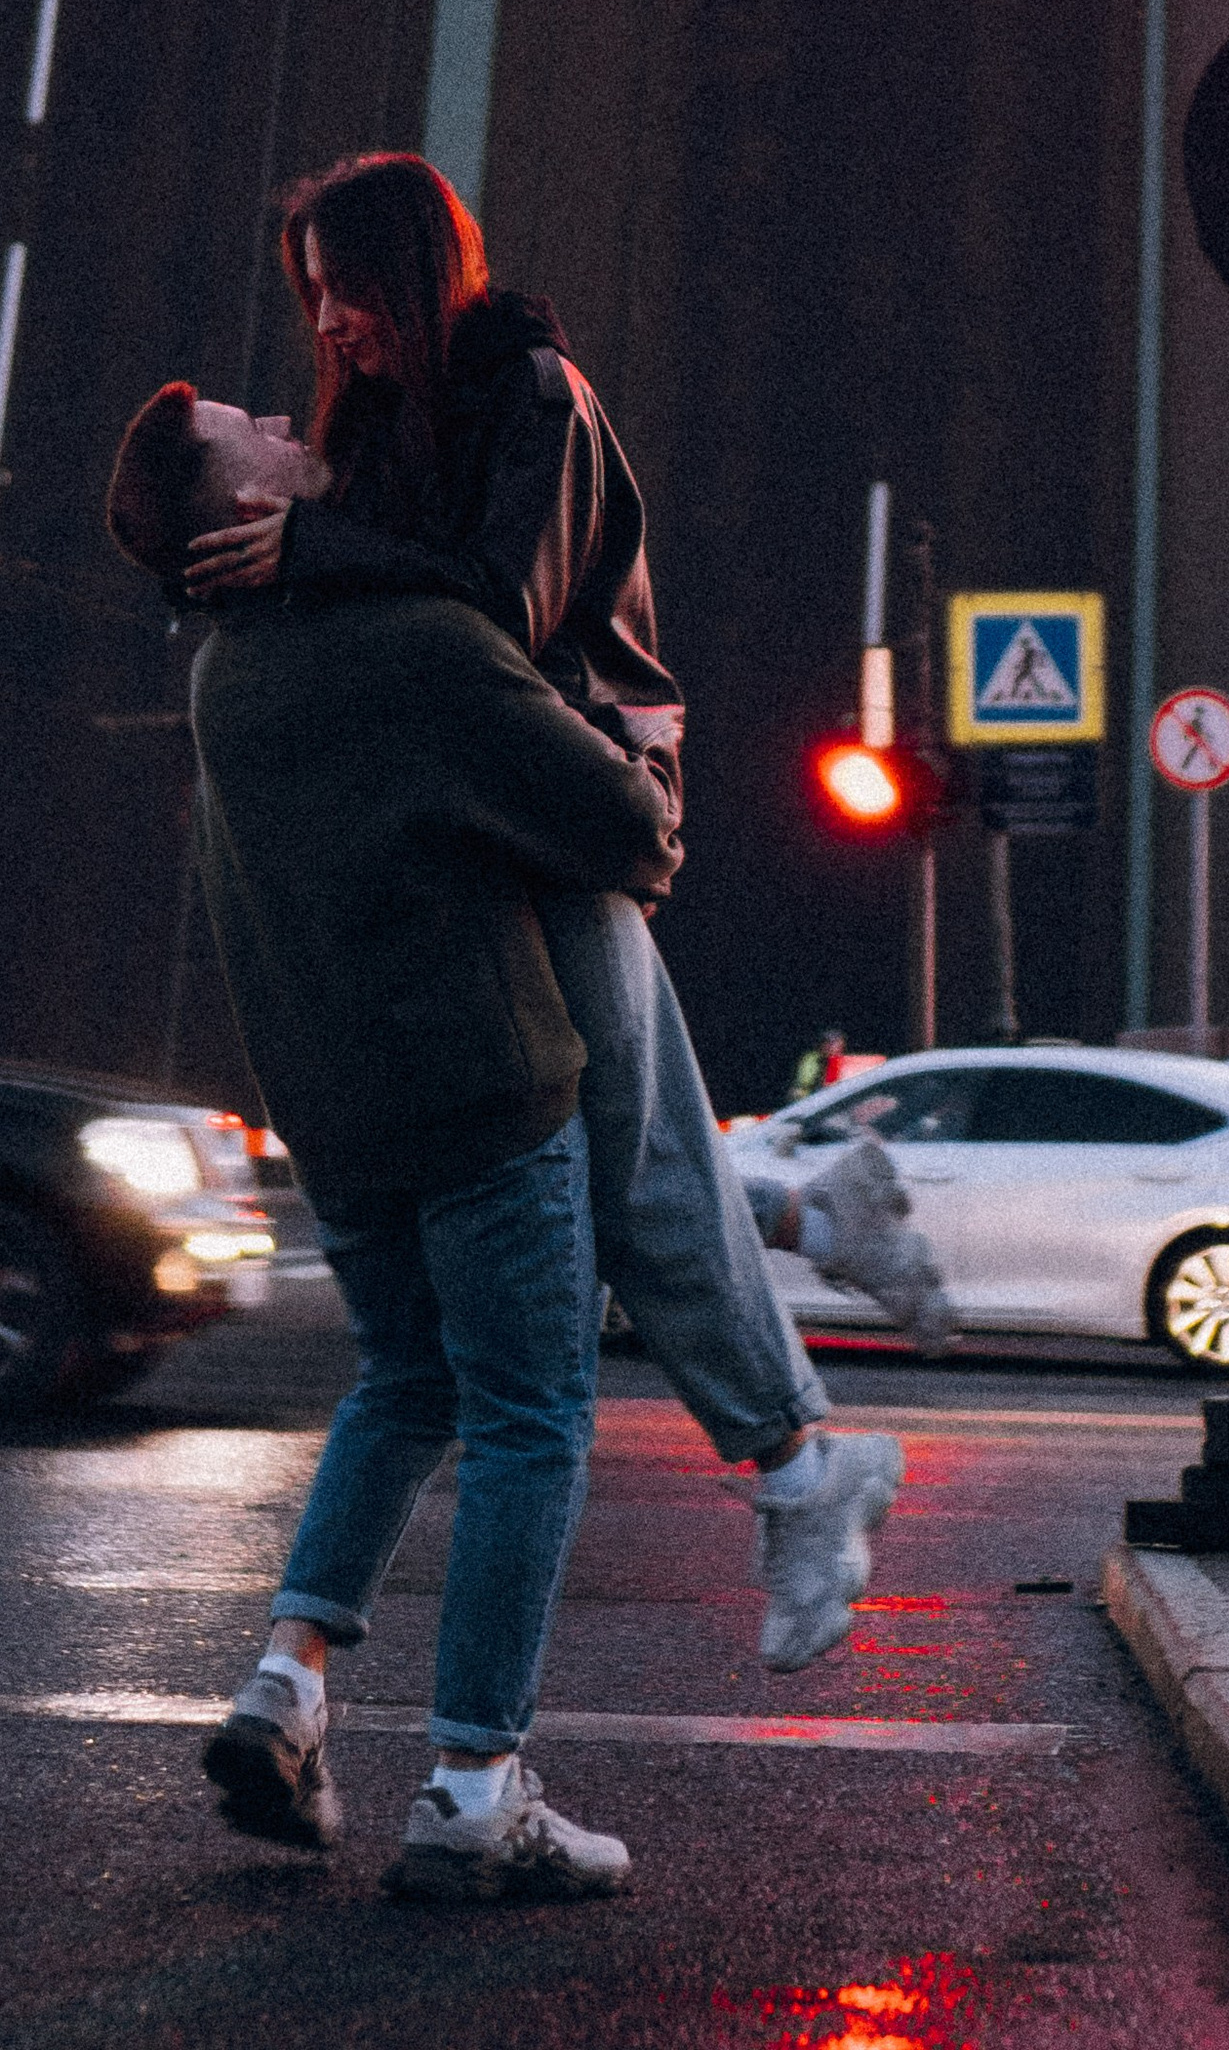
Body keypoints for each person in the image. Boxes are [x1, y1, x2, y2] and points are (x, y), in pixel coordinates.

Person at [177, 154, 946, 1638]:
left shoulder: (536, 396)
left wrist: (315, 552)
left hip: (573, 785)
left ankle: (801, 1455)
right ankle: (804, 1265)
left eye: (348, 289)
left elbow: (494, 612)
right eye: (311, 299)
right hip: (483, 801)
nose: (327, 327)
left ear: (419, 269)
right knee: (618, 1154)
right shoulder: (387, 422)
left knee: (628, 1163)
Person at [112, 382, 671, 1899]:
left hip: (339, 1121)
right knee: (531, 1418)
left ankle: (286, 1681)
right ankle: (478, 1784)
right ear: (242, 510)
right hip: (483, 1094)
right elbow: (626, 833)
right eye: (259, 431)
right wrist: (653, 767)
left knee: (407, 1380)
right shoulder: (416, 648)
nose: (297, 423)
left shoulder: (226, 675)